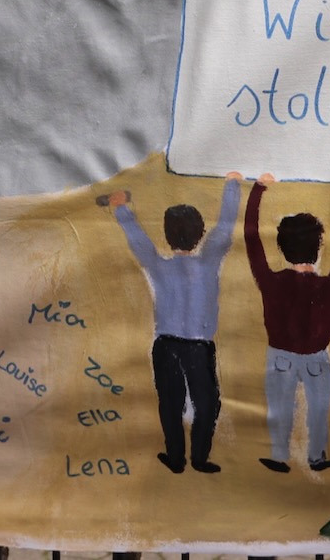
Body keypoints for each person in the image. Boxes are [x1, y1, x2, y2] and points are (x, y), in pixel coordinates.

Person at [108, 172, 244, 474]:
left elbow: (139, 241)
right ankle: (199, 458)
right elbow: (225, 226)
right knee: (207, 403)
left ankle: (176, 458)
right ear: (201, 231)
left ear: (167, 234)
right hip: (198, 347)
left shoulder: (159, 265)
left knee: (171, 403)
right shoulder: (208, 261)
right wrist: (232, 185)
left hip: (166, 345)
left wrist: (121, 208)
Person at [243, 174, 330, 473]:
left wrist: (258, 190)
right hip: (317, 358)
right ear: (318, 247)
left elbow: (251, 238)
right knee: (318, 412)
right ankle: (317, 456)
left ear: (282, 246)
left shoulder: (271, 282)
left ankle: (279, 455)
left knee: (279, 409)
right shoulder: (329, 286)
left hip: (280, 356)